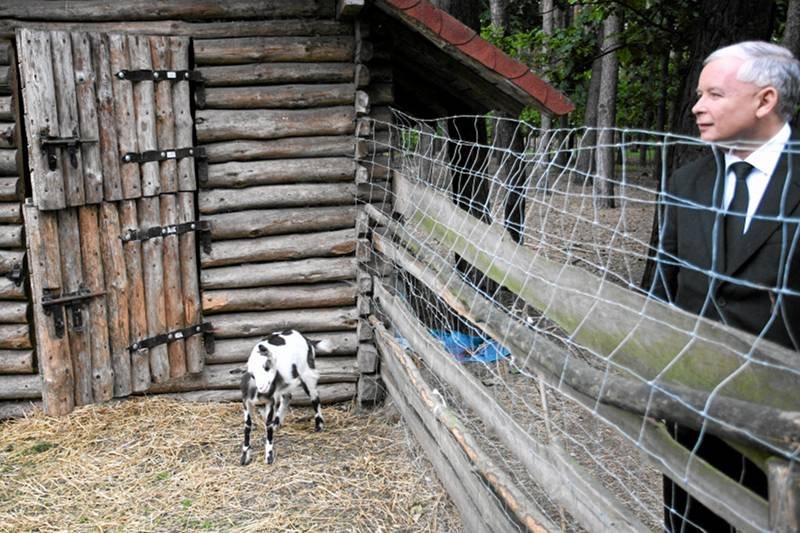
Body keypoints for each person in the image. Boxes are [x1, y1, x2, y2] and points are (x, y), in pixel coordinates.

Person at [652, 41, 800, 531]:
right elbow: (660, 288)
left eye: (714, 94)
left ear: (765, 101)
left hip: (788, 420)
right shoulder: (685, 183)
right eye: (699, 94)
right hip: (694, 409)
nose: (697, 106)